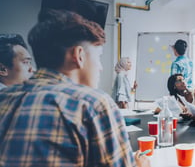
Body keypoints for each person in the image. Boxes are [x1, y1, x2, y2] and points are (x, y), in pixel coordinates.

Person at [0, 9, 150, 167]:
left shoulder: (4, 97)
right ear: (78, 56)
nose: (100, 68)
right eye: (98, 57)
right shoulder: (92, 103)